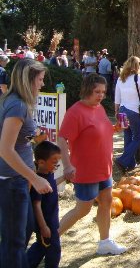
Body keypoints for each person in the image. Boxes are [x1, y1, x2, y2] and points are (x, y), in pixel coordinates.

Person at [57, 74, 126, 255]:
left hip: (104, 168)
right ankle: (51, 239)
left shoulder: (99, 107)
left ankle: (105, 242)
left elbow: (101, 130)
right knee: (83, 209)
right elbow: (62, 138)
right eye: (97, 91)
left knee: (106, 202)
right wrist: (66, 165)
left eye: (103, 91)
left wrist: (115, 128)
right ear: (88, 90)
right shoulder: (76, 112)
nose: (101, 95)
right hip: (86, 170)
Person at [0, 58, 51, 268]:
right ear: (28, 80)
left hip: (16, 180)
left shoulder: (9, 100)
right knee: (14, 242)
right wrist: (34, 177)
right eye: (40, 79)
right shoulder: (18, 106)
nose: (42, 84)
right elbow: (5, 149)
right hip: (12, 181)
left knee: (26, 228)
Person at [113, 56, 140, 171]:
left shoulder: (121, 79)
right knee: (138, 138)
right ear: (136, 66)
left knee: (127, 136)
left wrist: (116, 111)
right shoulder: (138, 77)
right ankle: (122, 160)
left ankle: (130, 164)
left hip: (122, 110)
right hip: (134, 111)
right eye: (139, 65)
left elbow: (117, 97)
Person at [26, 141, 63, 268]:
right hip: (46, 223)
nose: (56, 164)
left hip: (52, 220)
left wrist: (65, 177)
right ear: (41, 162)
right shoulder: (38, 180)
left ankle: (24, 263)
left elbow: (52, 186)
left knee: (41, 247)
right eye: (54, 162)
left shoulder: (49, 175)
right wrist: (43, 227)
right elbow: (36, 205)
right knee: (54, 250)